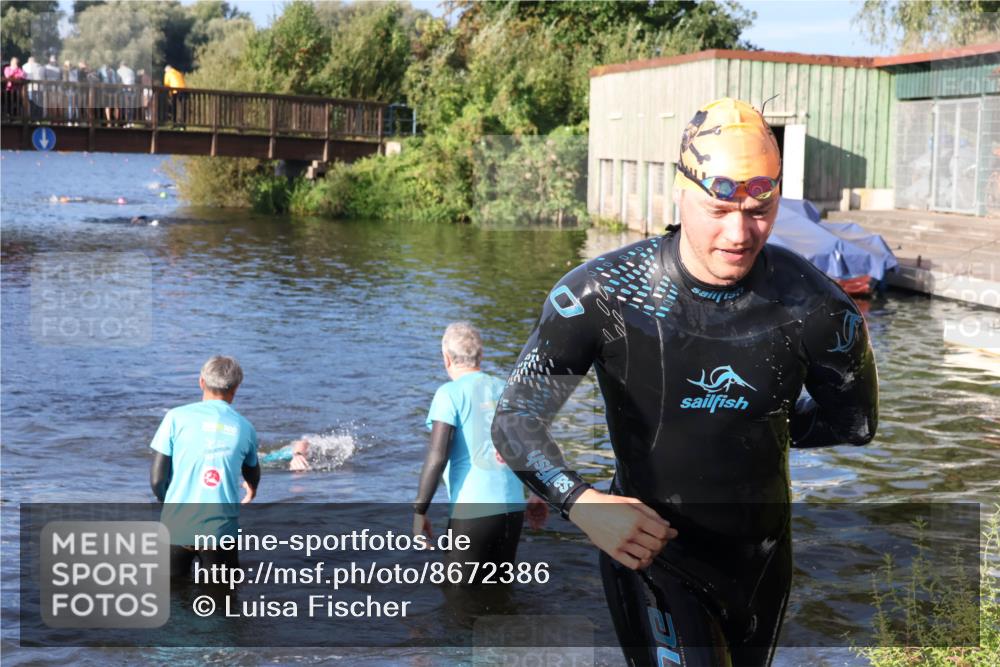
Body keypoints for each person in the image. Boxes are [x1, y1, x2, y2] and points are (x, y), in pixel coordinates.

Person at [491, 98, 879, 666]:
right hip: (651, 551)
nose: (740, 233)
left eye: (759, 210)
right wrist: (584, 502)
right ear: (681, 192)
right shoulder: (603, 295)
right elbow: (514, 419)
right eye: (718, 209)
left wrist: (758, 415)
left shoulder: (817, 310)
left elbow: (857, 422)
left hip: (760, 562)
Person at [413, 322, 547, 582]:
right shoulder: (506, 389)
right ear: (481, 355)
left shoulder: (448, 394)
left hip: (473, 512)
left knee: (458, 598)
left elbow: (437, 456)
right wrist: (536, 493)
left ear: (446, 358)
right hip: (513, 508)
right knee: (499, 590)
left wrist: (420, 511)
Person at [149, 355, 261, 579]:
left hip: (176, 526)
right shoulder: (245, 427)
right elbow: (252, 470)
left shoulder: (175, 418)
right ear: (236, 388)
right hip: (220, 532)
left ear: (201, 382)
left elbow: (157, 480)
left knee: (171, 598)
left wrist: (169, 503)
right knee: (223, 603)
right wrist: (252, 488)